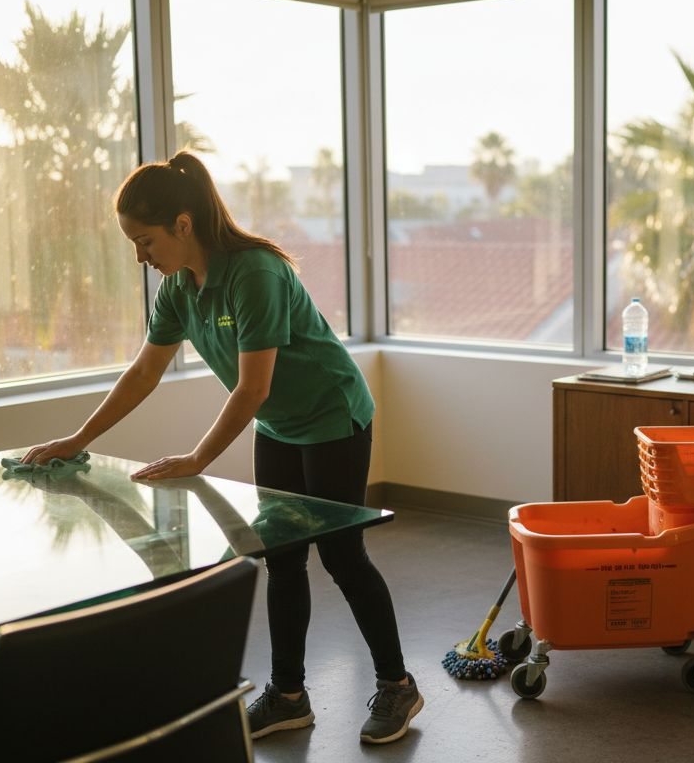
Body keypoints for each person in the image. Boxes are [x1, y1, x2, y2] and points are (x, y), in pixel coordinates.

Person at [21, 150, 422, 745]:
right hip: (280, 426)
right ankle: (289, 696)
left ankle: (398, 686)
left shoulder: (254, 272)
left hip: (333, 415)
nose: (140, 256)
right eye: (132, 243)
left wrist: (196, 459)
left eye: (145, 240)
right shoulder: (180, 288)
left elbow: (252, 386)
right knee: (281, 557)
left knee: (340, 555)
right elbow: (142, 373)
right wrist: (78, 439)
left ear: (183, 224)